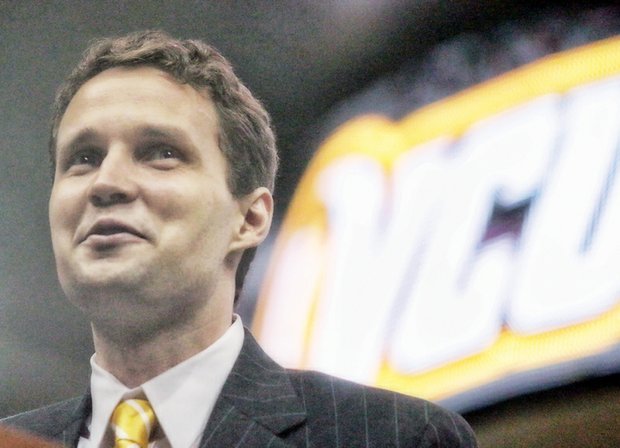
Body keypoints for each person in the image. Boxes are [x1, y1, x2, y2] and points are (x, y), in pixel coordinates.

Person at [1, 30, 478, 447]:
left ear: (249, 219)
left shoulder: (392, 437)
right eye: (83, 158)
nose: (106, 183)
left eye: (160, 153)